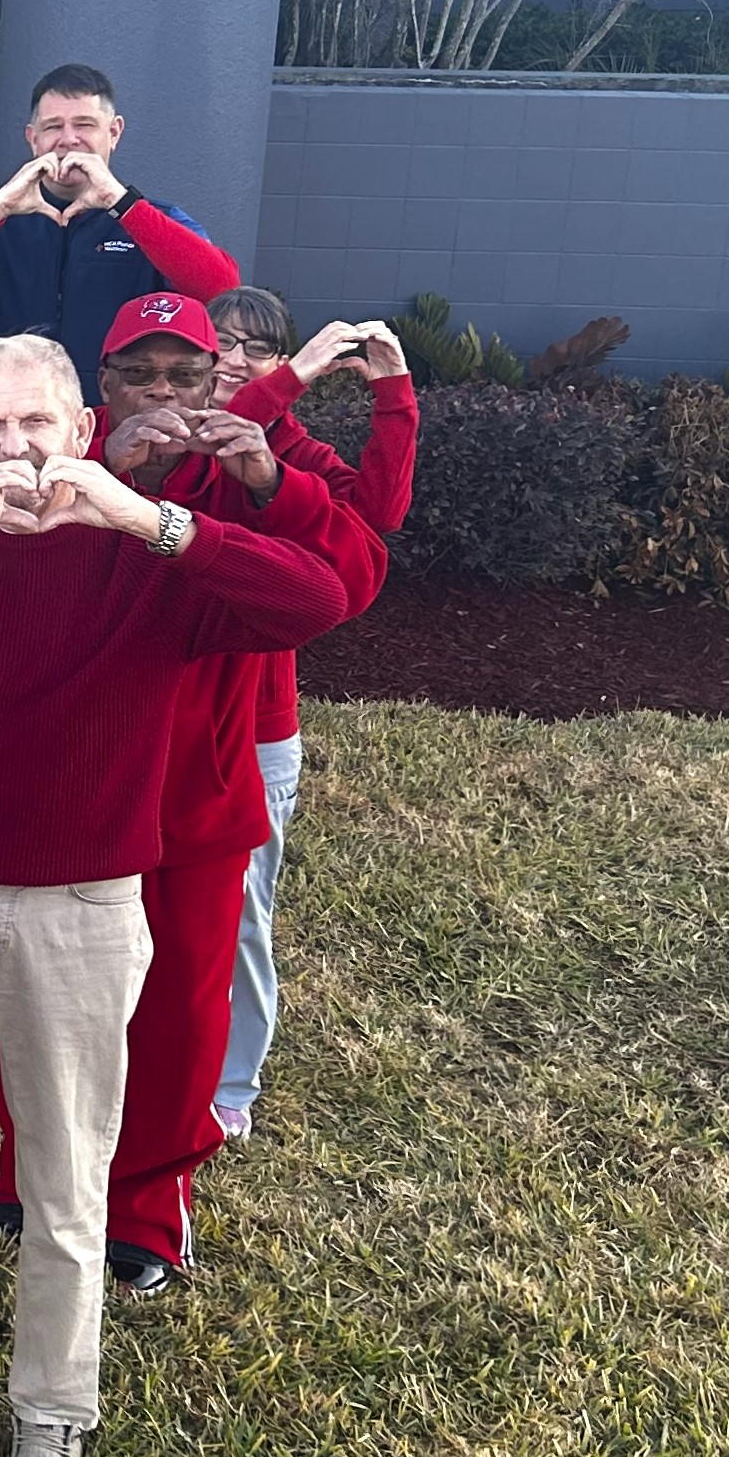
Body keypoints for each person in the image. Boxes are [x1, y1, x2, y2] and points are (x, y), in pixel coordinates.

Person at [0, 332, 349, 1457]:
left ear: (82, 431)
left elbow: (322, 595)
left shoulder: (148, 553)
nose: (16, 452)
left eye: (37, 426)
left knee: (68, 1172)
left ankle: (50, 1410)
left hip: (83, 902)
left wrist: (150, 520)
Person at [0, 293, 386, 1295]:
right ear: (102, 391)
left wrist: (258, 480)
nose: (161, 395)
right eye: (138, 376)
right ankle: (26, 1172)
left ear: (215, 385)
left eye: (182, 376)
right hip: (66, 784)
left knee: (179, 1011)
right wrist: (101, 481)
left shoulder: (254, 471)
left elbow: (345, 579)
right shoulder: (49, 470)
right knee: (36, 1000)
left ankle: (145, 1210)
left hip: (193, 792)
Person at [206, 293, 419, 1137]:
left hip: (257, 728)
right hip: (164, 716)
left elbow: (380, 518)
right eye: (217, 343)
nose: (232, 361)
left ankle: (231, 1089)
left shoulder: (293, 457)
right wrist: (285, 379)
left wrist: (394, 392)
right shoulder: (162, 439)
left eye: (254, 350)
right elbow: (215, 445)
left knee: (241, 912)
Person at [0, 64, 241, 470]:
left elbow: (222, 291)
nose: (69, 140)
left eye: (85, 124)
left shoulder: (154, 219)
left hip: (116, 446)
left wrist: (122, 207)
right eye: (53, 127)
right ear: (33, 139)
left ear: (114, 133)